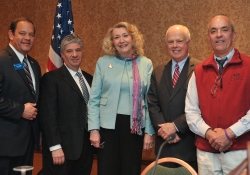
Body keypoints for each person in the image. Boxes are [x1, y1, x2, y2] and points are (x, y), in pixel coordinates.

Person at [185, 14, 250, 175]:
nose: (219, 35)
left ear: (234, 35)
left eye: (224, 30)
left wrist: (229, 133)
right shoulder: (199, 71)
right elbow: (191, 112)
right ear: (208, 37)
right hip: (206, 154)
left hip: (240, 152)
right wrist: (210, 134)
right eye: (213, 31)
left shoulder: (249, 66)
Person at [88, 22, 154, 175]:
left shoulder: (145, 63)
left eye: (125, 35)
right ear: (112, 42)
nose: (121, 40)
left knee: (130, 170)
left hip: (134, 128)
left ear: (133, 38)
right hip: (107, 127)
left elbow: (150, 101)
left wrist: (149, 132)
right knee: (107, 169)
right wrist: (93, 129)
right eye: (116, 37)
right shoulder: (103, 62)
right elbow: (94, 99)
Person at [39, 34, 93, 175]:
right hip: (62, 150)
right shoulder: (51, 78)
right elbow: (48, 115)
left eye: (78, 50)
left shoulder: (90, 79)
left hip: (86, 150)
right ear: (62, 55)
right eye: (69, 51)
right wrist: (55, 146)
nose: (74, 54)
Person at [147, 25, 199, 171]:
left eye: (179, 41)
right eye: (171, 42)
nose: (175, 46)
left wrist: (175, 127)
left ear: (188, 43)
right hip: (164, 146)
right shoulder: (158, 71)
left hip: (188, 145)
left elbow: (201, 105)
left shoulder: (200, 69)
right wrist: (165, 131)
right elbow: (152, 104)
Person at [0, 17, 41, 175]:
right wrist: (20, 110)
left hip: (28, 143)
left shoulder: (34, 64)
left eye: (31, 34)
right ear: (11, 34)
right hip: (5, 146)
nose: (27, 38)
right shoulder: (2, 60)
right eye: (22, 33)